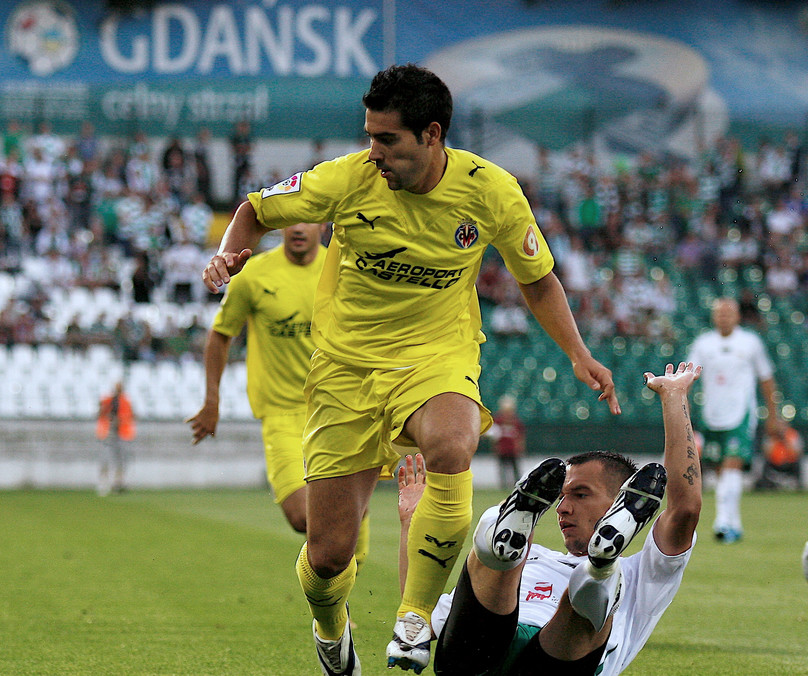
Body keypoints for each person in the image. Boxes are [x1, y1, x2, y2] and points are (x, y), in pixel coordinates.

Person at [201, 63, 619, 675]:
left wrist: (579, 353)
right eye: (369, 136)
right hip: (345, 369)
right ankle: (329, 625)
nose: (374, 153)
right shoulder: (346, 180)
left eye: (387, 140)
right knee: (327, 557)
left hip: (435, 354)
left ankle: (416, 617)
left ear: (431, 135)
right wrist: (225, 256)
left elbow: (538, 279)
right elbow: (255, 210)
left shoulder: (492, 190)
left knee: (454, 442)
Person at [394, 362, 702, 675]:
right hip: (493, 646)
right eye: (559, 497)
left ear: (617, 501)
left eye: (580, 495)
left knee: (583, 594)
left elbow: (684, 510)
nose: (562, 508)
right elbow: (419, 620)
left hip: (545, 657)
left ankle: (591, 569)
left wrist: (674, 396)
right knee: (509, 562)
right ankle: (552, 559)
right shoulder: (533, 556)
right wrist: (413, 525)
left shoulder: (644, 575)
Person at [187, 223, 369, 541]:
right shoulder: (255, 275)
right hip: (281, 413)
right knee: (304, 515)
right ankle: (352, 530)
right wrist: (212, 401)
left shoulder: (343, 271)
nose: (298, 228)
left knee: (337, 531)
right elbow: (220, 335)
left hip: (335, 411)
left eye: (308, 219)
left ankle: (344, 563)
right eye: (292, 219)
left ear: (323, 224)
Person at [686, 297, 786, 543]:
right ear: (713, 317)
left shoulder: (750, 342)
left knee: (732, 465)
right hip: (712, 414)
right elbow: (688, 378)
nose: (724, 318)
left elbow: (767, 380)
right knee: (721, 470)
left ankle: (722, 523)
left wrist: (773, 415)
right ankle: (734, 523)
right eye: (720, 313)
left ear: (737, 316)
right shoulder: (703, 344)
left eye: (728, 313)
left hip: (741, 413)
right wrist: (684, 411)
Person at [96, 381, 135, 496]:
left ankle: (118, 483)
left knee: (121, 459)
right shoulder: (108, 400)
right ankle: (104, 483)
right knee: (105, 458)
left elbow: (130, 415)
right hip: (108, 433)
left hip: (122, 433)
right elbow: (100, 412)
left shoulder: (125, 401)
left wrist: (121, 420)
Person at [490, 395, 526, 490]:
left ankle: (517, 485)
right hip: (503, 449)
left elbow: (520, 437)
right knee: (503, 469)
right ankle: (504, 486)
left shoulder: (516, 422)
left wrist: (519, 447)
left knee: (515, 469)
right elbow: (494, 437)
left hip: (512, 450)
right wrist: (496, 447)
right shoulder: (498, 421)